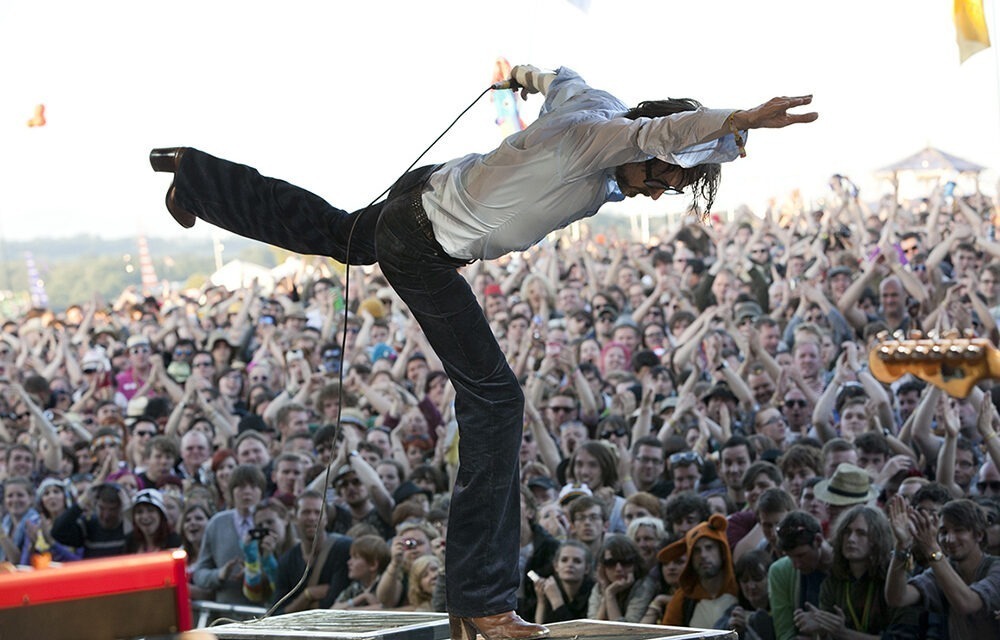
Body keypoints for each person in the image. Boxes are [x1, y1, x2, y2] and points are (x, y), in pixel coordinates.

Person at [150, 64, 815, 640]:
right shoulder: (601, 138)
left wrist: (517, 76)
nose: (664, 189)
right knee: (495, 403)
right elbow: (657, 135)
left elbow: (557, 74)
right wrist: (745, 115)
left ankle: (197, 177)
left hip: (431, 189)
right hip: (425, 244)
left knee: (342, 234)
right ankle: (483, 601)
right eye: (669, 178)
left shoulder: (592, 105)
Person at [886, 495, 1000, 636]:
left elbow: (967, 603)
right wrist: (901, 547)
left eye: (959, 530)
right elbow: (897, 597)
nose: (949, 539)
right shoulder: (943, 569)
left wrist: (932, 550)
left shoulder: (996, 568)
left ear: (979, 535)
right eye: (944, 532)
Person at [658, 514, 739, 628]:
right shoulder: (683, 599)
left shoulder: (742, 589)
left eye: (709, 547)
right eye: (696, 550)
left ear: (722, 550)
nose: (703, 555)